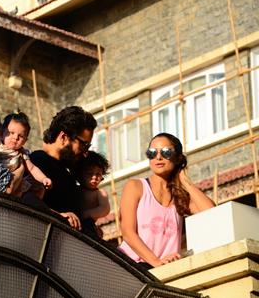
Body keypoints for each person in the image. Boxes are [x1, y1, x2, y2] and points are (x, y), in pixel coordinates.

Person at [118, 132, 215, 269]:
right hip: (132, 266)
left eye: (166, 152)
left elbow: (211, 212)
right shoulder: (135, 186)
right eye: (152, 153)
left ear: (177, 158)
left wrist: (185, 181)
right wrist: (156, 261)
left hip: (164, 270)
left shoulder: (180, 197)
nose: (158, 157)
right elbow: (127, 232)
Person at [29, 106, 97, 232]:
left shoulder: (66, 170)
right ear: (64, 137)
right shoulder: (38, 162)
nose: (85, 152)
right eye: (83, 144)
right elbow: (27, 201)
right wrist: (58, 216)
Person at [0, 112, 52, 195]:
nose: (15, 138)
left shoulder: (22, 153)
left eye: (21, 136)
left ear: (25, 141)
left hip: (15, 182)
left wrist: (43, 178)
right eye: (11, 133)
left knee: (38, 188)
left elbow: (32, 168)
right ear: (2, 133)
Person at [74, 151, 111, 238]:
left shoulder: (100, 193)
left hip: (89, 225)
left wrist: (85, 214)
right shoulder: (75, 189)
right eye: (89, 173)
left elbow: (105, 209)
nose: (94, 177)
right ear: (80, 174)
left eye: (98, 174)